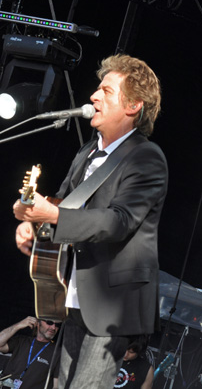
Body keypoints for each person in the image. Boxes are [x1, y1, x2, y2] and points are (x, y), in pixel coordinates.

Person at [13, 54, 169, 388]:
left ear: (133, 106)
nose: (94, 97)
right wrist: (34, 222)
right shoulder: (87, 152)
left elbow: (119, 221)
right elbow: (61, 203)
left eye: (106, 91)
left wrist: (52, 215)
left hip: (114, 302)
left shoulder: (146, 157)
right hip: (73, 293)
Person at [0, 317, 59, 389]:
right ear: (38, 323)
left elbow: (56, 386)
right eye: (49, 323)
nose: (53, 328)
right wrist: (18, 325)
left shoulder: (58, 352)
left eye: (57, 325)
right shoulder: (22, 341)